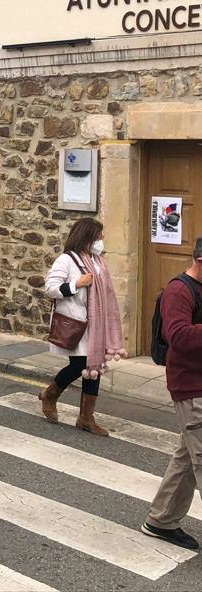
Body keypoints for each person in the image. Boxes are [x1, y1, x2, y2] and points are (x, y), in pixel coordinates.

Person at [140, 235, 202, 551]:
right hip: (191, 388)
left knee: (187, 458)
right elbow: (178, 336)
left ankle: (161, 521)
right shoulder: (179, 291)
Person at [40, 218, 126, 436]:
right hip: (77, 323)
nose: (102, 240)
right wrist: (76, 284)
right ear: (88, 237)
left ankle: (86, 418)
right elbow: (50, 288)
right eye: (99, 236)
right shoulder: (67, 260)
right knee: (80, 366)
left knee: (94, 369)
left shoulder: (97, 260)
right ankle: (50, 394)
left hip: (97, 326)